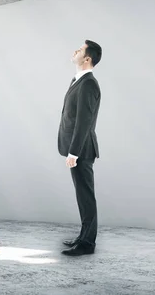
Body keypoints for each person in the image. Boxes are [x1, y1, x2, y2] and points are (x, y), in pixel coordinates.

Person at [58, 40, 102, 256]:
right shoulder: (78, 81)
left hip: (82, 150)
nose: (74, 50)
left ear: (87, 58)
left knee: (86, 196)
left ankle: (87, 244)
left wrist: (74, 152)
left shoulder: (88, 84)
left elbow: (83, 121)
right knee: (82, 195)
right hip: (77, 148)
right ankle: (83, 237)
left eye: (80, 50)